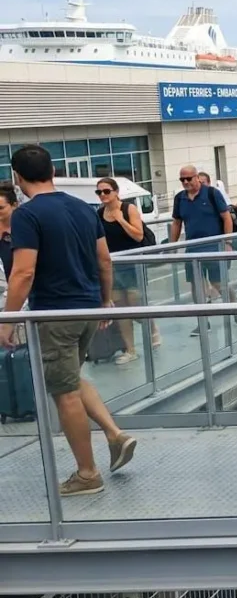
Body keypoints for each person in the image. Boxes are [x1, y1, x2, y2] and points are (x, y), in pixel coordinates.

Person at [0, 145, 137, 496]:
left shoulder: (27, 216)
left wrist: (7, 320)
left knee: (64, 393)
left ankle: (87, 474)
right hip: (88, 308)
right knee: (71, 379)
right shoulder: (82, 207)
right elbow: (104, 261)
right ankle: (114, 434)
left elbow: (23, 273)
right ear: (53, 172)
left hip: (55, 314)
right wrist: (104, 299)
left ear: (17, 177)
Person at [170, 165, 237, 334]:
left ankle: (235, 304)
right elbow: (176, 222)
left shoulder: (211, 193)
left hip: (214, 246)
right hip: (192, 249)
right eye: (182, 179)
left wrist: (227, 242)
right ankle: (202, 321)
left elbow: (226, 218)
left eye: (189, 178)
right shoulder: (180, 198)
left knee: (218, 283)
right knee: (196, 285)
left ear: (196, 177)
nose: (186, 182)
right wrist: (172, 246)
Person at [96, 177, 162, 364]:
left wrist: (120, 220)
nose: (102, 195)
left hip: (133, 264)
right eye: (99, 192)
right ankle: (130, 350)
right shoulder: (99, 214)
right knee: (121, 309)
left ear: (116, 192)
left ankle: (153, 329)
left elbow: (138, 235)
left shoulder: (128, 209)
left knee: (135, 303)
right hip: (113, 266)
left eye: (106, 191)